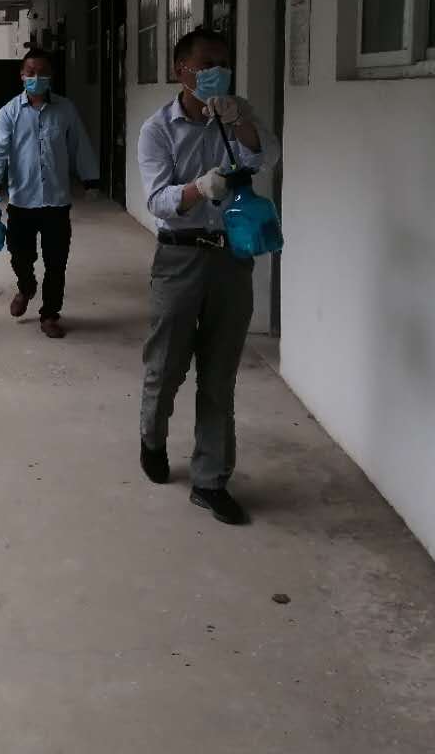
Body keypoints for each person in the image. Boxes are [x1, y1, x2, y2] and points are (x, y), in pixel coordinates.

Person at [135, 26, 279, 525]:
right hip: (179, 258)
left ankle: (211, 479)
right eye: (207, 63)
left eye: (224, 62)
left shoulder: (236, 115)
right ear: (182, 70)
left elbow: (266, 156)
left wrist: (239, 122)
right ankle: (152, 437)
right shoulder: (158, 130)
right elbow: (158, 201)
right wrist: (199, 188)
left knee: (219, 374)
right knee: (167, 366)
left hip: (231, 258)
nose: (217, 71)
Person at [0, 47, 100, 339]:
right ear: (22, 75)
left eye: (42, 73)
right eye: (31, 72)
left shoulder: (65, 109)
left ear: (51, 76)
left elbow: (79, 144)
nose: (37, 78)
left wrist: (90, 179)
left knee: (56, 262)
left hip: (56, 202)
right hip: (22, 201)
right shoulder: (10, 112)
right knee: (19, 256)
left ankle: (50, 314)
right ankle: (26, 287)